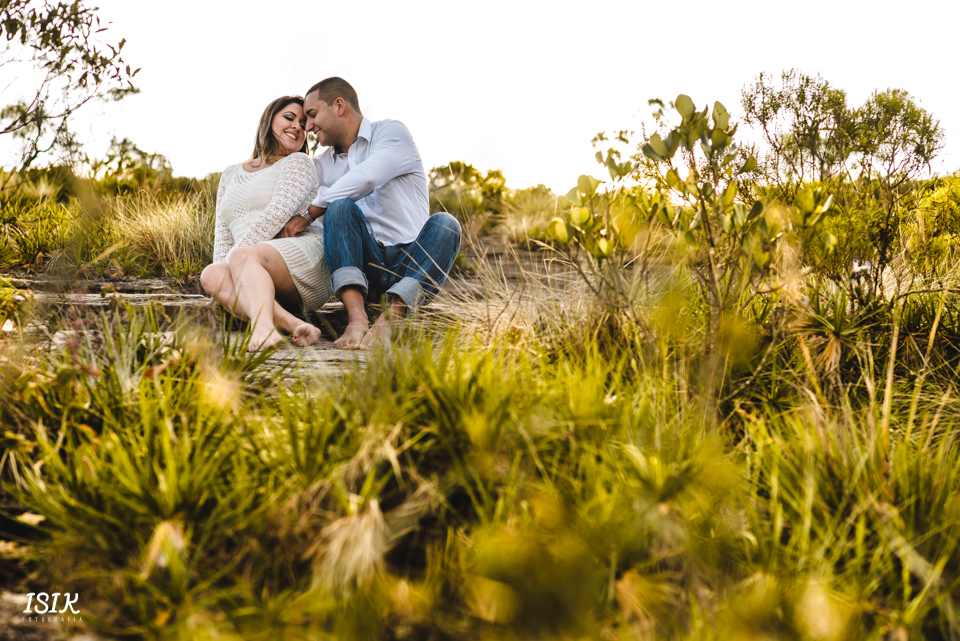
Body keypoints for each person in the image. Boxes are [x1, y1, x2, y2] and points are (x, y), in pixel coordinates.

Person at [279, 77, 462, 350]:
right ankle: (356, 318)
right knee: (339, 207)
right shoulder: (319, 166)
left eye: (313, 115)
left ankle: (392, 319)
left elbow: (368, 177)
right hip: (363, 270)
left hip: (411, 263)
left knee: (447, 224)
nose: (308, 126)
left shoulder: (391, 133)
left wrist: (311, 212)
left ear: (339, 106)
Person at [200, 95, 330, 351]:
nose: (296, 126)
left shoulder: (299, 162)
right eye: (289, 118)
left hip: (301, 258)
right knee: (211, 275)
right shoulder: (230, 173)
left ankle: (264, 330)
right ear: (269, 120)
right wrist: (224, 271)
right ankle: (295, 325)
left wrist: (233, 262)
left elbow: (275, 216)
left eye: (303, 124)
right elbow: (223, 232)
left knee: (240, 257)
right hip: (249, 265)